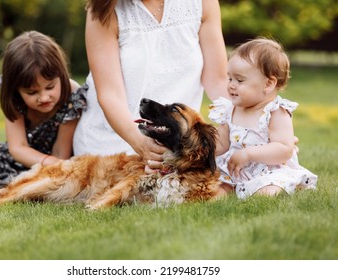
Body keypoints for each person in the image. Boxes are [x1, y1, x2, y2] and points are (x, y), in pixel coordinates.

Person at [73, 0, 229, 171]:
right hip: (117, 141)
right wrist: (141, 144)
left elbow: (218, 80)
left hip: (179, 144)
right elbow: (110, 96)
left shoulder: (203, 3)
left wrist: (233, 128)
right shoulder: (104, 11)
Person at [0, 31, 86, 190]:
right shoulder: (13, 97)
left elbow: (60, 155)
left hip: (55, 166)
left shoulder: (72, 95)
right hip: (23, 159)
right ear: (16, 89)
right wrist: (46, 162)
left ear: (61, 75)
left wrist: (53, 166)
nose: (44, 97)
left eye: (50, 87)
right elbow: (18, 147)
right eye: (32, 92)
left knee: (28, 184)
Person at [209, 37, 317, 199]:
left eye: (239, 80)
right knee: (217, 186)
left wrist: (248, 154)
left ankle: (263, 192)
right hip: (234, 168)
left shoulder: (275, 112)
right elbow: (221, 143)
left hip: (268, 170)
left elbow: (284, 149)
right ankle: (225, 192)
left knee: (268, 188)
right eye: (230, 78)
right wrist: (202, 151)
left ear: (268, 84)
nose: (231, 85)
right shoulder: (230, 110)